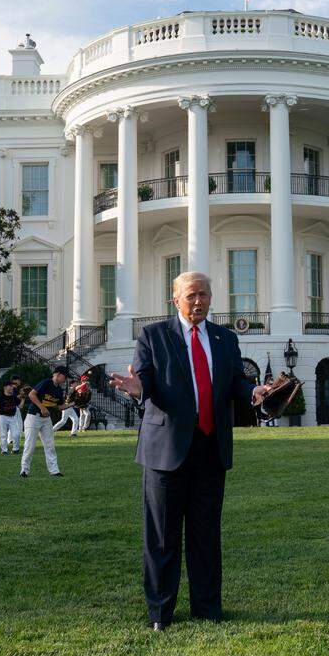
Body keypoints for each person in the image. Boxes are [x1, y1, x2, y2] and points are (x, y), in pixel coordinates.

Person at [109, 271, 268, 632]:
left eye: (205, 295)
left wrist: (253, 392)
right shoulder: (154, 336)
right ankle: (160, 612)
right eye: (192, 295)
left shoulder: (225, 338)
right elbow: (146, 377)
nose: (199, 302)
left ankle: (208, 608)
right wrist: (137, 386)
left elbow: (235, 381)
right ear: (175, 299)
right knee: (162, 535)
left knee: (206, 534)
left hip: (211, 448)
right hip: (166, 450)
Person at [21, 366, 68, 478]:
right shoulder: (46, 383)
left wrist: (73, 403)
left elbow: (60, 406)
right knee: (30, 446)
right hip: (33, 417)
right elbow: (31, 394)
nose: (65, 379)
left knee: (50, 445)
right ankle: (24, 470)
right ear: (57, 374)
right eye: (64, 376)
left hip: (46, 419)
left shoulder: (59, 390)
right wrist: (41, 407)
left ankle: (54, 471)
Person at [0, 379, 22, 454]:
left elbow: (20, 406)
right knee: (3, 435)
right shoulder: (1, 397)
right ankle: (4, 450)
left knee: (16, 434)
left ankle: (15, 449)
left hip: (12, 418)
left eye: (12, 386)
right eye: (10, 386)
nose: (12, 387)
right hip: (2, 417)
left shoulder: (14, 397)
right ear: (5, 388)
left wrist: (23, 398)